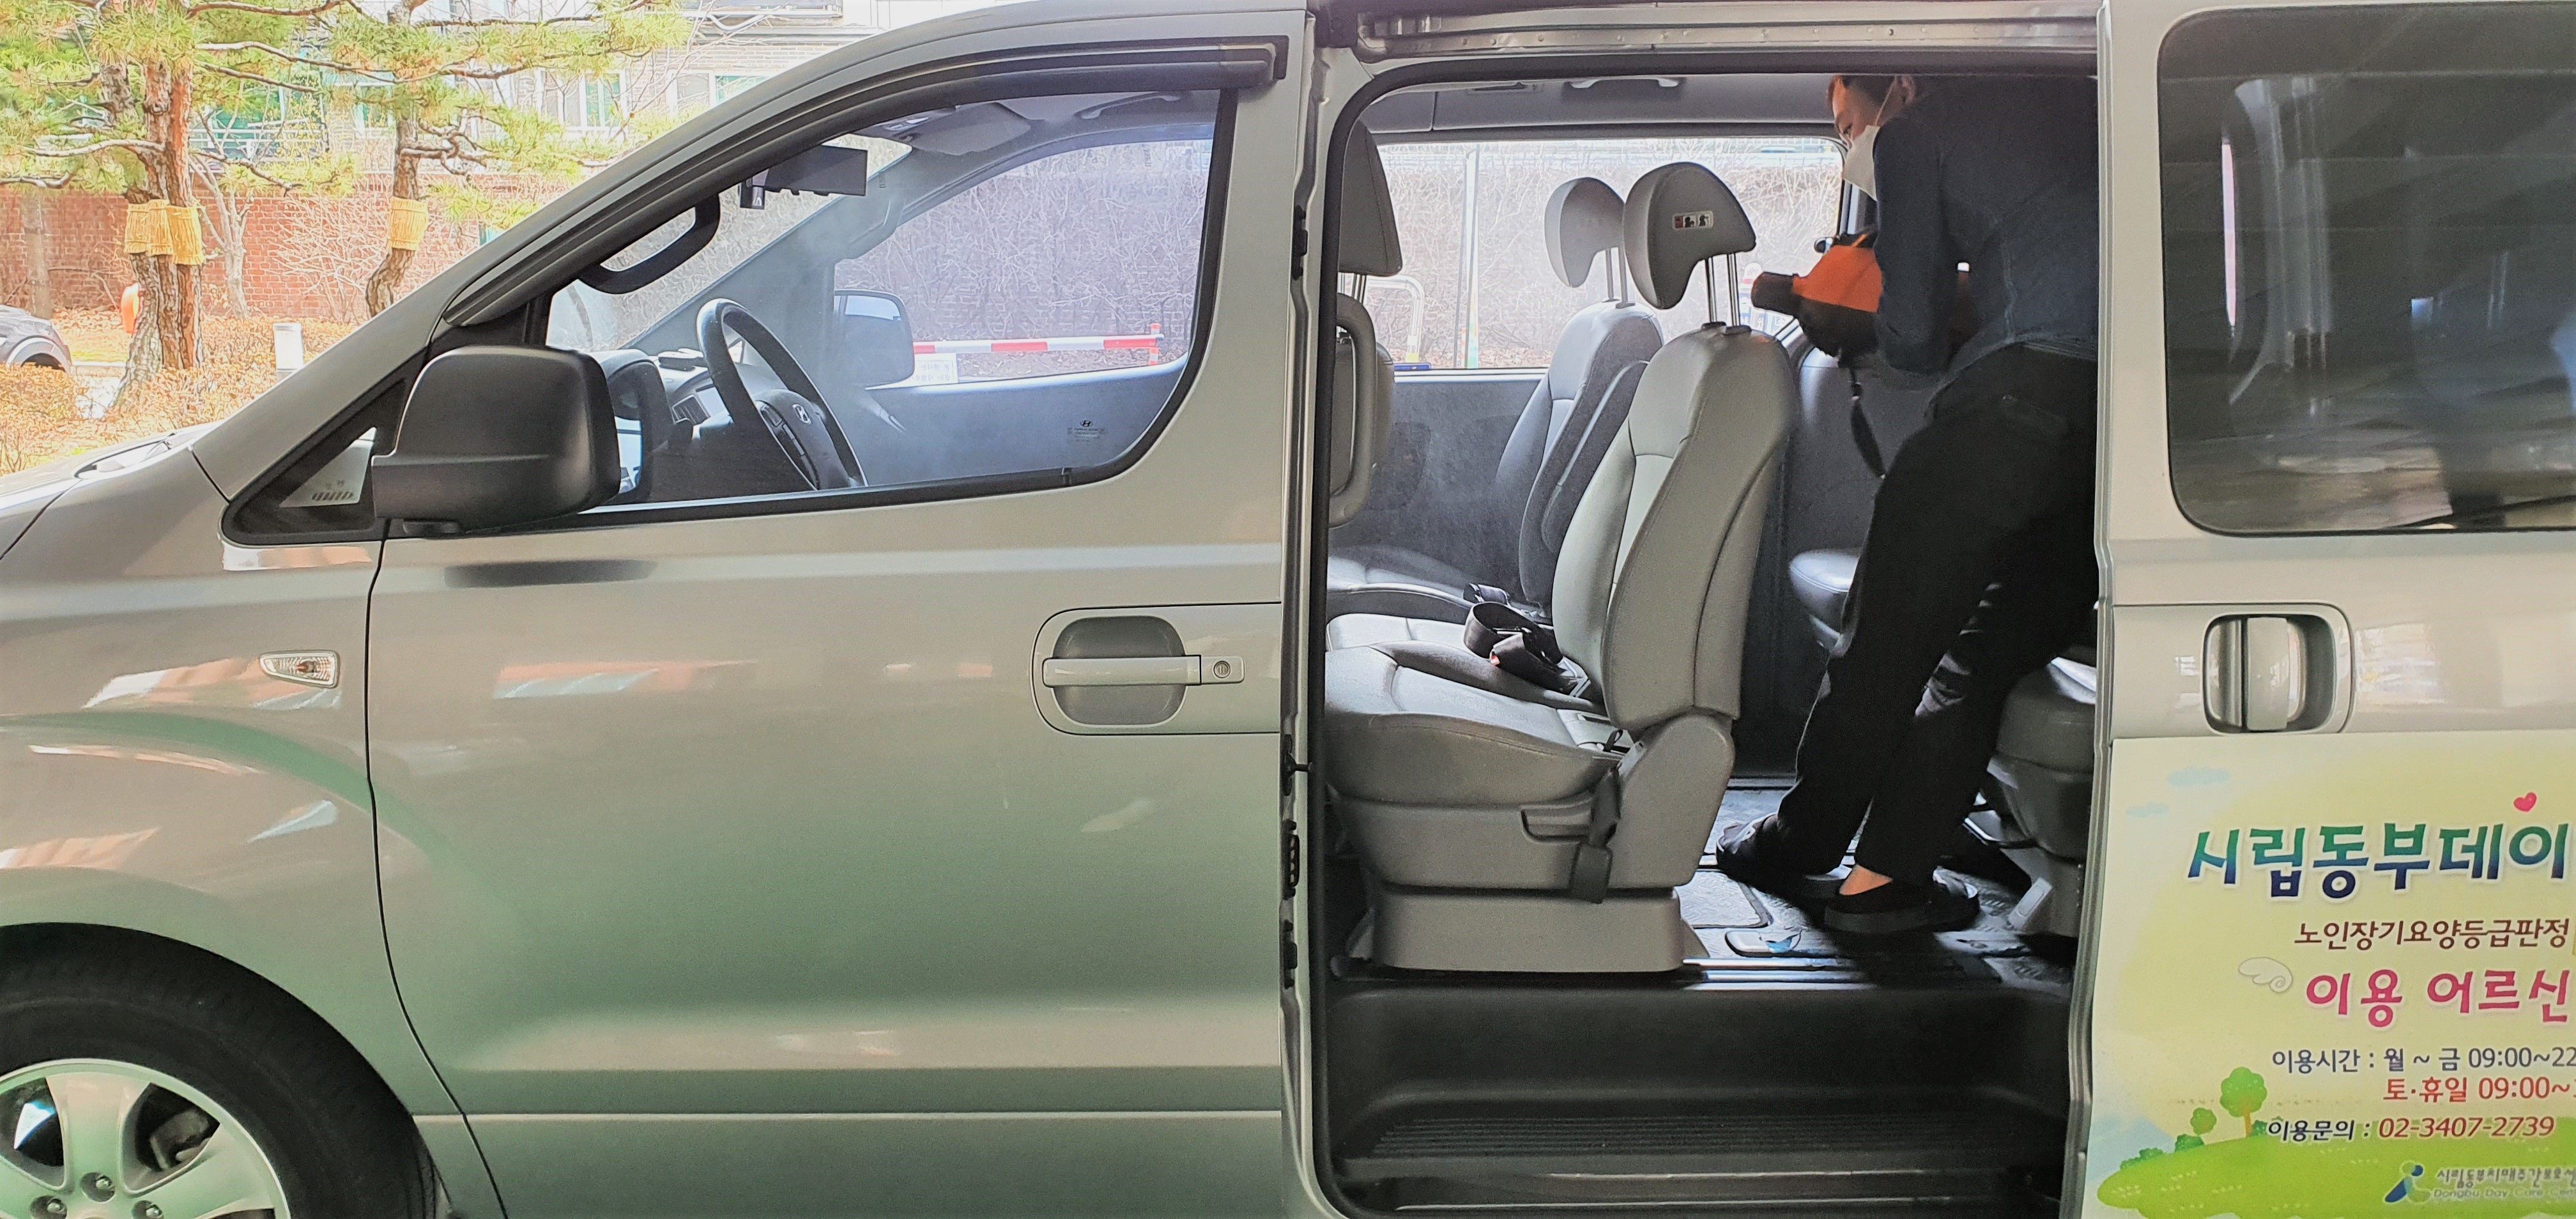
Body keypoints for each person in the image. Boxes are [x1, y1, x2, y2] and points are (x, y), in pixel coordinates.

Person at [1714, 73, 2101, 934]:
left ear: (1895, 84)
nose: (1850, 144)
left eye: (1846, 123)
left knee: (1884, 645)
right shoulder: (2092, 100)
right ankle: (1887, 882)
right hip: (2114, 435)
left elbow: (1915, 341)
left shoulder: (1918, 131)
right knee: (1981, 660)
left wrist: (1839, 311)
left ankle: (1800, 842)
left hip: (2005, 414)